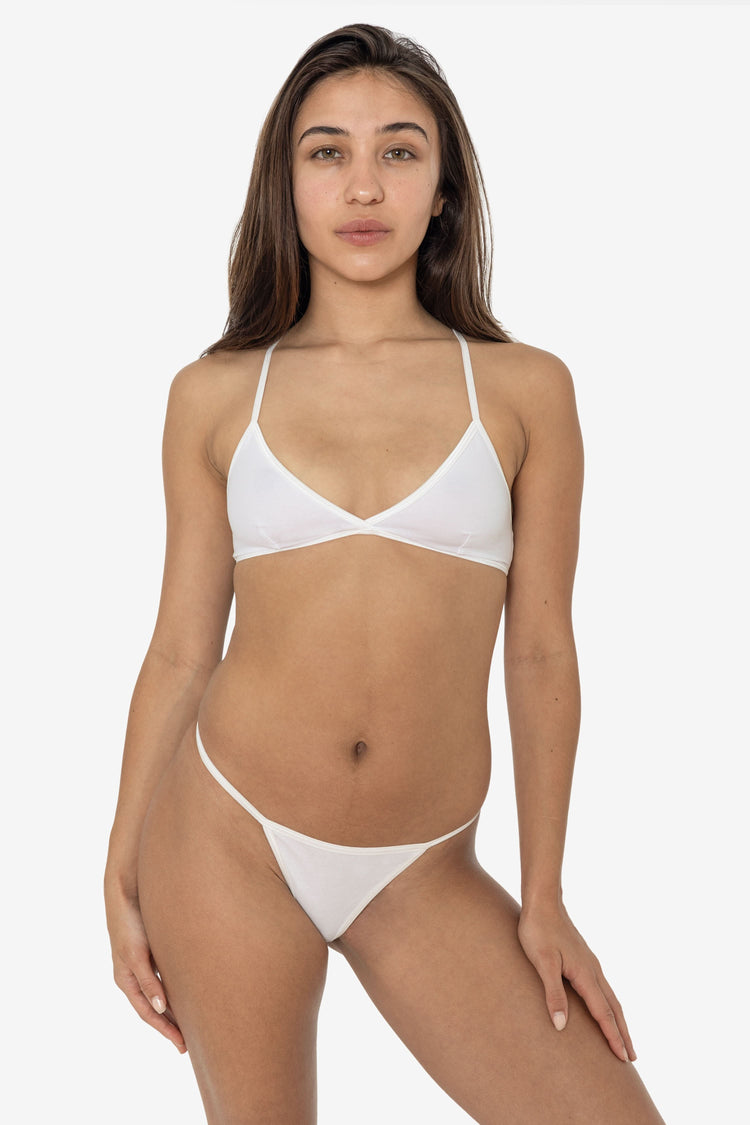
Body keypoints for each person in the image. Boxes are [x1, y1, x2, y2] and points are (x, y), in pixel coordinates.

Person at [104, 22, 665, 1124]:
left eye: (399, 152)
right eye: (328, 152)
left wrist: (543, 894)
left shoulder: (525, 389)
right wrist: (118, 872)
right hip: (226, 833)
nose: (364, 186)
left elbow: (541, 648)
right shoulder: (214, 394)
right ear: (286, 184)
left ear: (445, 189)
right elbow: (179, 648)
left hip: (423, 864)